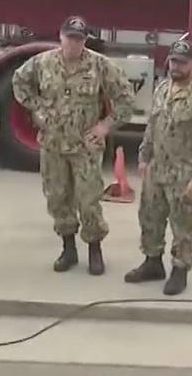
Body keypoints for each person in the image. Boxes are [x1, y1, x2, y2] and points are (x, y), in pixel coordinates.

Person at [12, 15, 135, 276]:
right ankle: (68, 249)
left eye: (79, 39)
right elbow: (19, 82)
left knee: (89, 201)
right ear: (61, 37)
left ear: (85, 40)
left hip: (85, 148)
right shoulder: (42, 63)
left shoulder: (99, 66)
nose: (73, 44)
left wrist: (105, 126)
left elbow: (126, 98)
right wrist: (35, 108)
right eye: (70, 38)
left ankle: (94, 250)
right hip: (53, 145)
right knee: (58, 199)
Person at [125, 38, 192, 295]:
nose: (176, 66)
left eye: (182, 62)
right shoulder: (162, 89)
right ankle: (152, 263)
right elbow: (152, 126)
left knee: (184, 226)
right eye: (173, 61)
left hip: (184, 173)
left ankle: (180, 271)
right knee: (150, 219)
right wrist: (144, 157)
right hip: (157, 170)